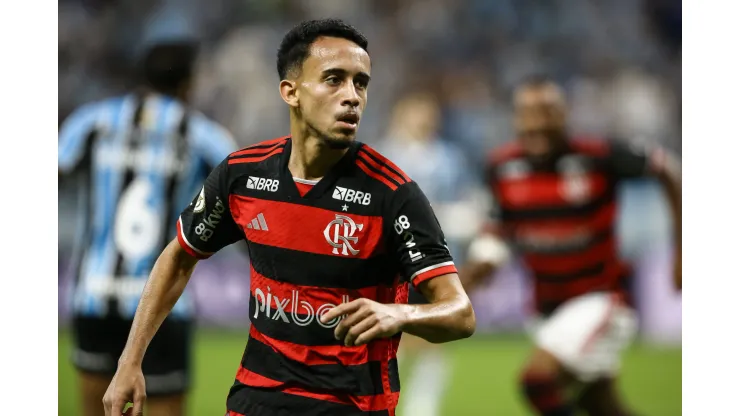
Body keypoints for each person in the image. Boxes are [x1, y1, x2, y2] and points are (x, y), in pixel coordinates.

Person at [102, 18, 476, 416]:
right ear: (290, 92)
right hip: (254, 400)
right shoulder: (242, 175)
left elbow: (460, 313)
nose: (352, 96)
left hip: (350, 406)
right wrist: (130, 360)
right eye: (334, 79)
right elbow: (179, 256)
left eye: (360, 83)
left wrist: (397, 313)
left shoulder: (393, 194)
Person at [461, 76, 682, 416]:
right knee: (599, 404)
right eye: (528, 113)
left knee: (537, 383)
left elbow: (669, 170)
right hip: (547, 308)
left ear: (564, 115)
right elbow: (495, 234)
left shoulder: (599, 157)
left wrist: (684, 250)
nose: (537, 122)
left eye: (547, 112)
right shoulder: (501, 168)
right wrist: (475, 272)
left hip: (601, 300)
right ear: (516, 119)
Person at [58, 37, 237, 416]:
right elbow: (240, 198)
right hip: (165, 304)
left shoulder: (92, 122)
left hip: (95, 293)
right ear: (189, 82)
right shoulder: (203, 135)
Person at [379, 91, 484, 416]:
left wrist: (461, 217)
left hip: (434, 260)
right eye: (416, 112)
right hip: (391, 261)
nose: (423, 119)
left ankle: (422, 407)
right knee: (387, 332)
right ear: (401, 116)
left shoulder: (450, 158)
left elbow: (470, 201)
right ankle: (379, 397)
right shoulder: (385, 155)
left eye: (428, 113)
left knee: (432, 335)